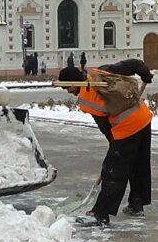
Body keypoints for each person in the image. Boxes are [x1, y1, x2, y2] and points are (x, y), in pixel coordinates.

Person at [58, 59, 153, 226]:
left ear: (74, 83)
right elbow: (133, 64)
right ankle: (136, 204)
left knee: (113, 170)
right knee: (139, 164)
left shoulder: (88, 98)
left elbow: (106, 128)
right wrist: (144, 73)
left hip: (128, 127)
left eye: (67, 87)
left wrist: (115, 149)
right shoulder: (100, 71)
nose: (67, 91)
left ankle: (100, 214)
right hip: (143, 118)